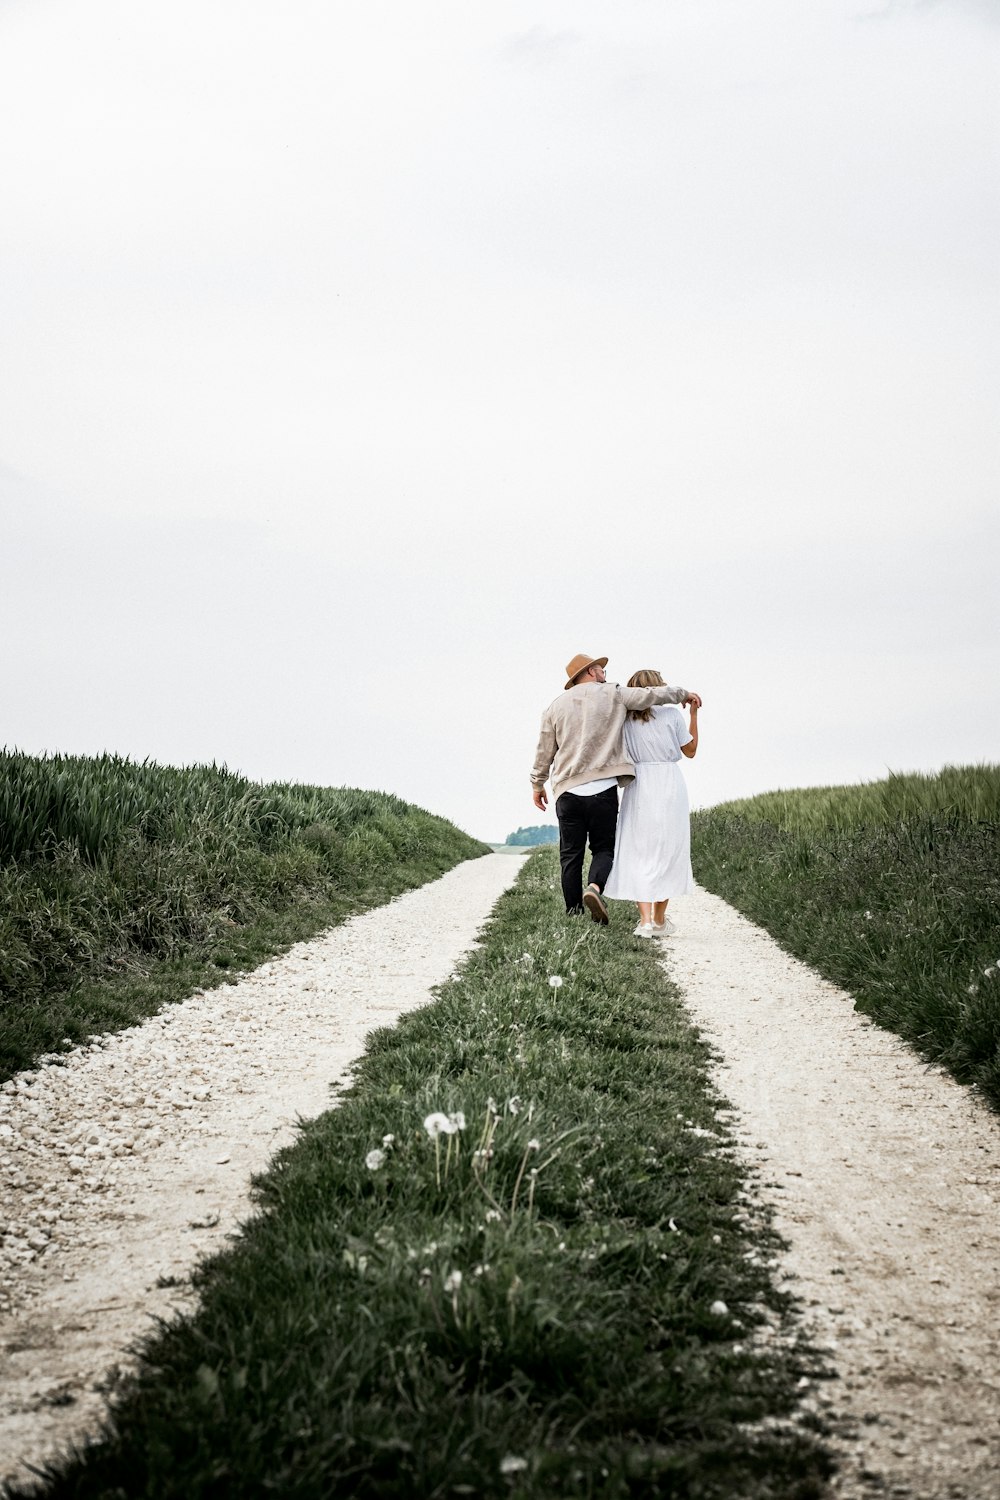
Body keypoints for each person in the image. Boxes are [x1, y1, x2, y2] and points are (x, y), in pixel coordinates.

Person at [530, 653, 701, 922]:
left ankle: (574, 914)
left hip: (567, 790)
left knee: (570, 854)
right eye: (600, 670)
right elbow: (651, 696)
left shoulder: (554, 707)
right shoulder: (614, 694)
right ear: (589, 673)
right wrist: (683, 694)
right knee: (603, 848)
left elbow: (544, 751)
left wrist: (537, 784)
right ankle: (595, 887)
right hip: (602, 789)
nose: (604, 674)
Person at [603, 669, 699, 937]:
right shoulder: (671, 715)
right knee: (668, 849)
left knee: (638, 850)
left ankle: (645, 921)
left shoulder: (623, 720)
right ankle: (659, 918)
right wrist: (693, 715)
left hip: (638, 783)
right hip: (669, 783)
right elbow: (690, 751)